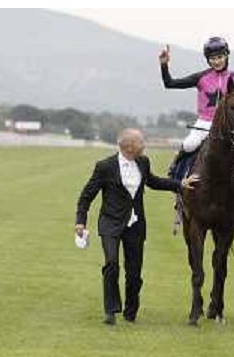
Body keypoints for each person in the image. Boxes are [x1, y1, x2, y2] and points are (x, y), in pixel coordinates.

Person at [75, 129, 199, 326]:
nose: (145, 144)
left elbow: (154, 182)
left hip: (136, 225)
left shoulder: (143, 162)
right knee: (112, 264)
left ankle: (130, 312)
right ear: (129, 146)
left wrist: (180, 184)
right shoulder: (105, 167)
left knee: (134, 273)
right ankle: (111, 309)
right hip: (111, 223)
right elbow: (87, 195)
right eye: (141, 142)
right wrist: (80, 221)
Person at [159, 37, 234, 178]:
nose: (216, 61)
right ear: (207, 59)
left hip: (228, 125)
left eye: (219, 57)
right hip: (205, 121)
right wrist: (164, 65)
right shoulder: (201, 77)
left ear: (226, 56)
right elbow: (169, 83)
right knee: (190, 144)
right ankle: (176, 166)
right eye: (212, 58)